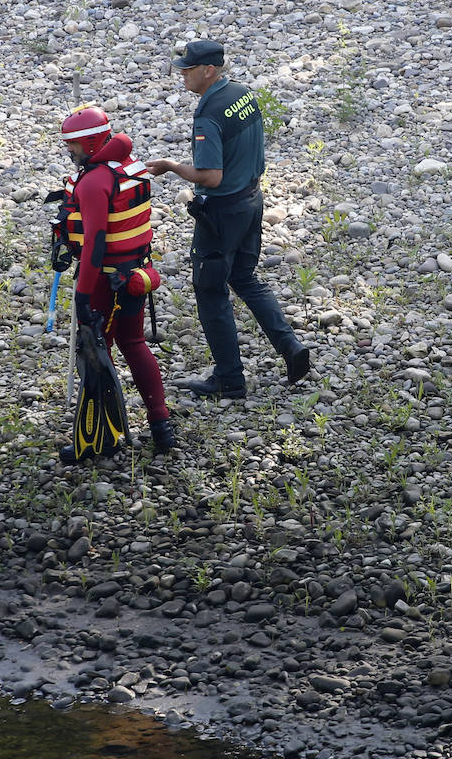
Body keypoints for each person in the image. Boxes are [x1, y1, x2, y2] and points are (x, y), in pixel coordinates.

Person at [146, 39, 311, 399]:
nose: (182, 75)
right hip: (252, 199)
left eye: (188, 70)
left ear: (209, 71)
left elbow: (210, 176)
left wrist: (171, 166)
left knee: (211, 291)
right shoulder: (243, 94)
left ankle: (229, 379)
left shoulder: (208, 113)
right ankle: (291, 347)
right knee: (245, 278)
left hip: (221, 212)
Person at [55, 105, 175, 462]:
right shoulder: (128, 165)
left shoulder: (94, 181)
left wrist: (82, 295)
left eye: (72, 146)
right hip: (136, 274)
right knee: (134, 344)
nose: (69, 152)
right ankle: (161, 428)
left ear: (90, 143)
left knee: (95, 355)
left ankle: (97, 439)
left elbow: (94, 244)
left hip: (106, 281)